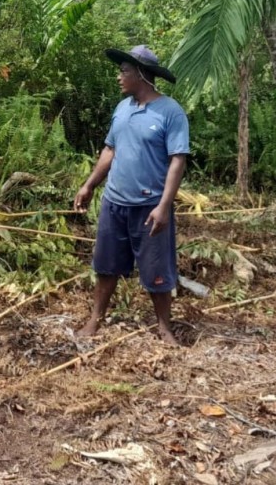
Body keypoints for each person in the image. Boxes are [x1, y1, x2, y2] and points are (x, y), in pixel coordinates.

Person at [73, 45, 189, 346]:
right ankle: (95, 319)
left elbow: (178, 159)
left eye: (124, 71)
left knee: (157, 270)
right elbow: (110, 150)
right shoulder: (122, 109)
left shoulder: (170, 112)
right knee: (106, 265)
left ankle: (164, 327)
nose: (118, 77)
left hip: (149, 206)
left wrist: (164, 206)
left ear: (141, 74)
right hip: (115, 203)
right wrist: (89, 185)